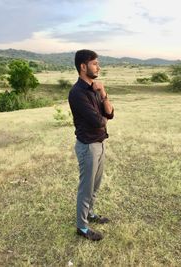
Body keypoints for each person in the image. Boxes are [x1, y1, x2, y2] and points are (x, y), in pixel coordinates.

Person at [68, 49, 114, 241]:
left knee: (95, 186)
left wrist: (103, 93)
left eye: (98, 63)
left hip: (100, 143)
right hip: (88, 146)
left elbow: (110, 114)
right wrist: (103, 117)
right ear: (83, 66)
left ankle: (90, 213)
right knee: (86, 188)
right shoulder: (77, 93)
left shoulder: (95, 89)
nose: (98, 66)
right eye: (95, 63)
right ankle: (82, 227)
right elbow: (98, 121)